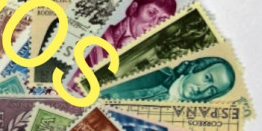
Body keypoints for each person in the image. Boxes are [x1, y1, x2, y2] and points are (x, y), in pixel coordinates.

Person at [100, 56, 236, 103]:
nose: (203, 89)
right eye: (207, 78)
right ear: (195, 68)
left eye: (212, 90)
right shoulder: (157, 72)